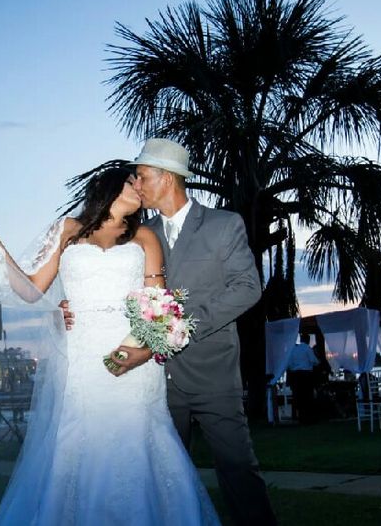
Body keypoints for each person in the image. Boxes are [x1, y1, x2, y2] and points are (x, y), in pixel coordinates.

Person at [0, 165, 219, 525]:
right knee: (82, 436)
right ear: (109, 186)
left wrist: (145, 350)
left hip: (131, 353)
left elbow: (157, 303)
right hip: (83, 354)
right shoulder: (67, 230)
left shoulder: (145, 239)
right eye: (132, 180)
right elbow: (30, 289)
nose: (140, 187)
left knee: (138, 438)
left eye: (141, 181)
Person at [108, 138, 277, 525]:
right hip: (155, 381)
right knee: (166, 478)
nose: (137, 183)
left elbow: (247, 288)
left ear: (167, 178)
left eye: (143, 175)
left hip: (213, 375)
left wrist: (182, 327)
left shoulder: (223, 224)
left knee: (238, 471)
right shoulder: (138, 234)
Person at [286, 335, 320, 423]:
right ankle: (308, 417)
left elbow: (289, 363)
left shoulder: (294, 349)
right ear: (308, 340)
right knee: (307, 395)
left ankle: (298, 416)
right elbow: (313, 360)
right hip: (306, 375)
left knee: (298, 395)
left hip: (296, 375)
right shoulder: (307, 349)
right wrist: (318, 362)